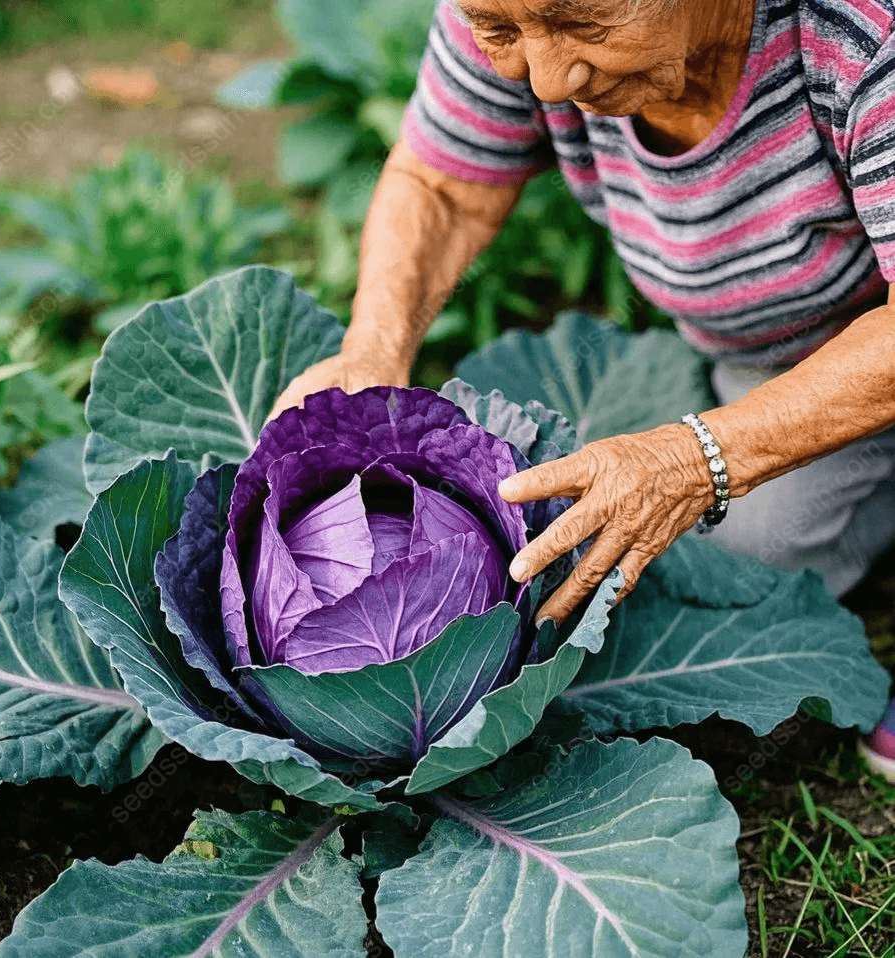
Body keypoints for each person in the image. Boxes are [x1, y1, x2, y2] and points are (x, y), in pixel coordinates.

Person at [269, 0, 895, 777]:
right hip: (791, 354)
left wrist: (696, 458)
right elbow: (443, 185)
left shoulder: (868, 41)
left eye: (586, 27)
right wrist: (372, 352)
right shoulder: (519, 4)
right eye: (501, 35)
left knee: (743, 544)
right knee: (691, 547)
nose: (546, 78)